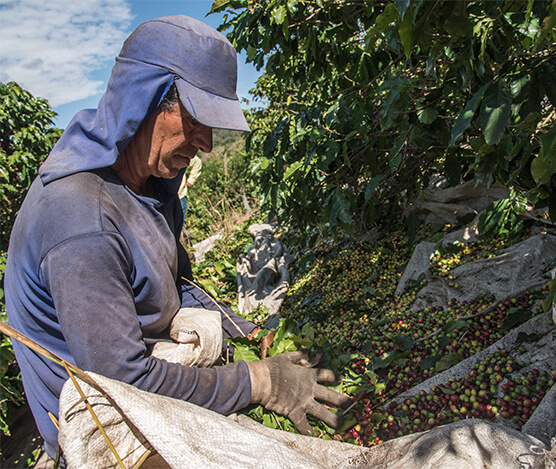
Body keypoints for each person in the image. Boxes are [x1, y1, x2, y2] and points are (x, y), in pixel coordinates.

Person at [4, 15, 351, 461]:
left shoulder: (151, 182)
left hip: (154, 370)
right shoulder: (81, 221)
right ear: (143, 100)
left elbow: (179, 283)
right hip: (112, 430)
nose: (206, 143)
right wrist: (262, 382)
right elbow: (124, 386)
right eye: (195, 119)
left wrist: (248, 332)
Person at [178, 154, 202, 222]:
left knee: (180, 225)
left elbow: (197, 161)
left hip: (180, 195)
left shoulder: (177, 155)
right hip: (162, 197)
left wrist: (191, 180)